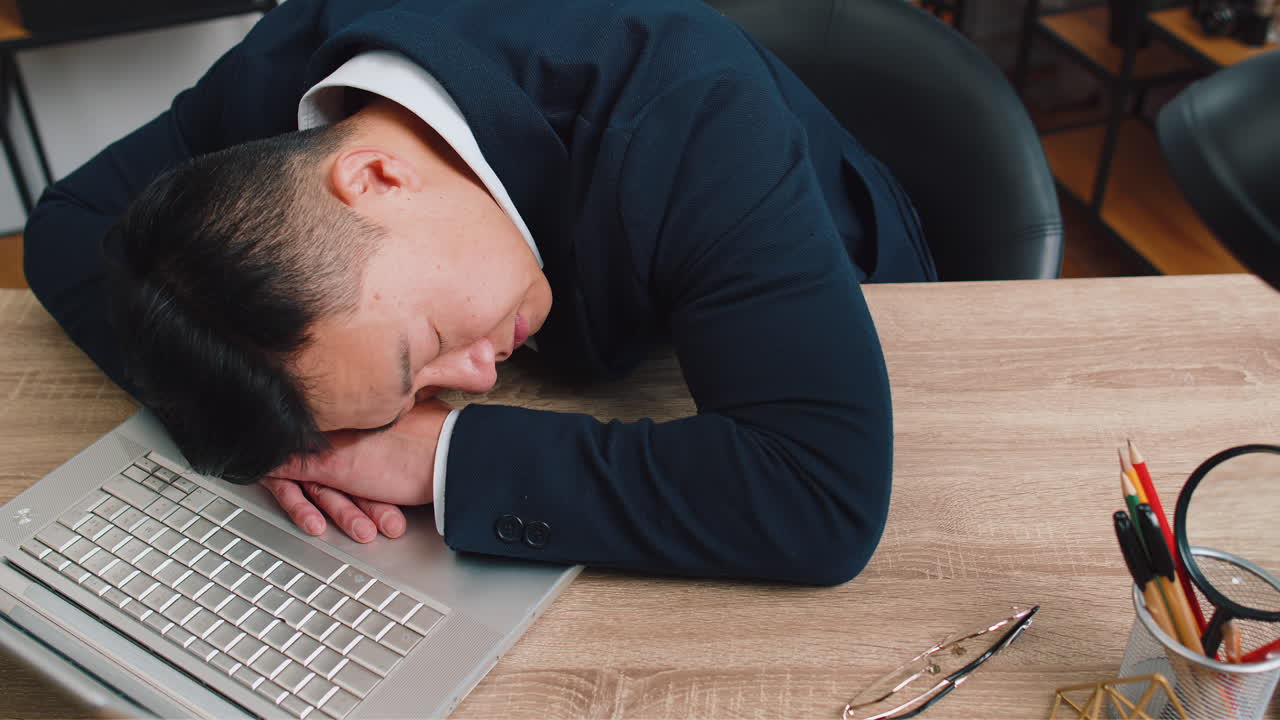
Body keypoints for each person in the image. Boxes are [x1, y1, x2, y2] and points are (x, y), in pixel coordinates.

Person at [23, 0, 936, 586]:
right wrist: (264, 417)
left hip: (846, 299)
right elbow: (70, 225)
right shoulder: (281, 75)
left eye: (418, 353)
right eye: (420, 390)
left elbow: (820, 495)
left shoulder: (691, 111)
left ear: (376, 177)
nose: (478, 378)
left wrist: (433, 456)